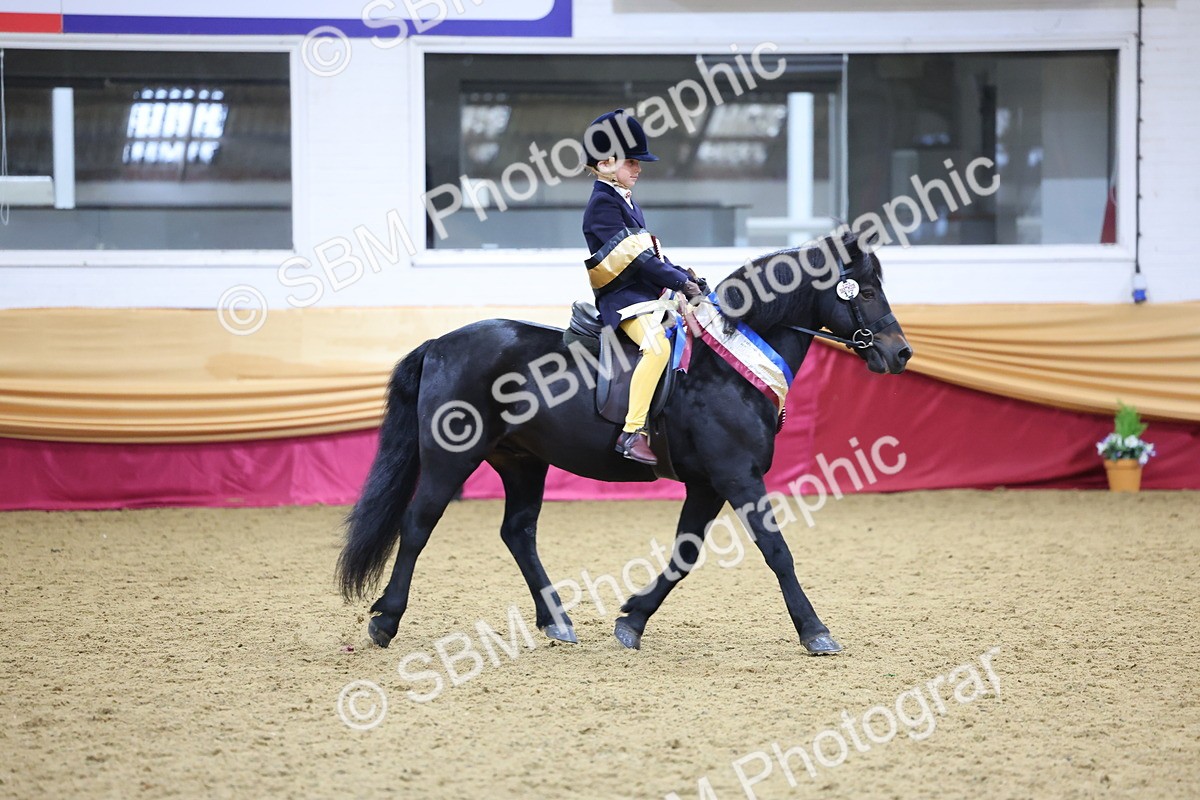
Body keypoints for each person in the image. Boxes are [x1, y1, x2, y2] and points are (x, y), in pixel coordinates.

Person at [580, 109, 702, 466]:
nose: (639, 168)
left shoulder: (625, 200)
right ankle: (633, 432)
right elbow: (638, 262)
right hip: (624, 302)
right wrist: (680, 283)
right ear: (605, 163)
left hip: (645, 297)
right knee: (657, 347)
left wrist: (686, 276)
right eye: (631, 161)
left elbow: (650, 254)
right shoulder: (603, 205)